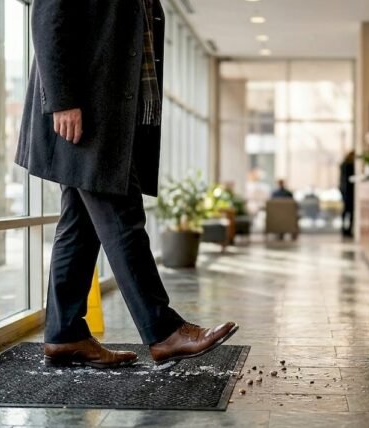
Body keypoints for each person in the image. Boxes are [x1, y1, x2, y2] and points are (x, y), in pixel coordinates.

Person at [15, 0, 237, 369]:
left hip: (105, 112)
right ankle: (164, 332)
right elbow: (48, 15)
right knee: (123, 215)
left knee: (79, 224)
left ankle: (64, 333)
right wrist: (62, 100)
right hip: (84, 111)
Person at [339, 151, 355, 237]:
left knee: (346, 210)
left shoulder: (343, 165)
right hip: (348, 191)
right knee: (349, 211)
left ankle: (345, 228)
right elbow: (347, 180)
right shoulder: (349, 165)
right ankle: (347, 229)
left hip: (344, 191)